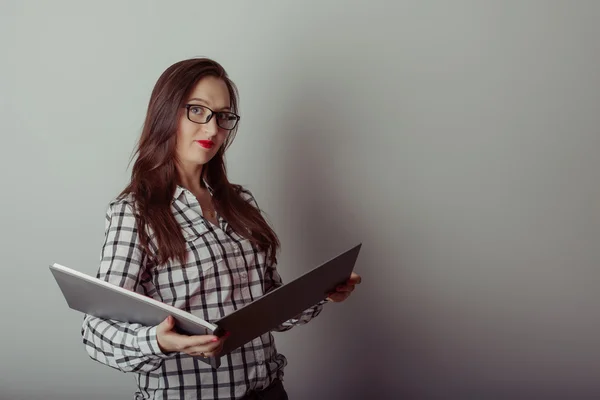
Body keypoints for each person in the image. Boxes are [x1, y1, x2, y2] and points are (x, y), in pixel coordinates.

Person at [80, 57, 362, 400]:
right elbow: (96, 333)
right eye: (197, 111)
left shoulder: (240, 202)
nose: (213, 130)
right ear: (166, 112)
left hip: (269, 392)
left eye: (223, 116)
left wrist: (322, 291)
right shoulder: (135, 214)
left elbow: (268, 312)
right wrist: (159, 341)